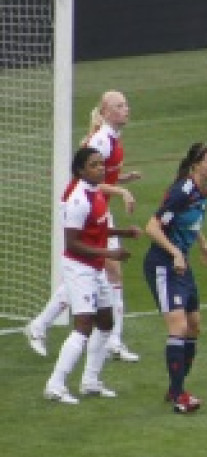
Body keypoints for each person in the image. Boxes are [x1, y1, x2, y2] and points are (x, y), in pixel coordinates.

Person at [25, 91, 144, 362]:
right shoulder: (101, 139)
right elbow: (86, 181)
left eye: (126, 104)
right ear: (106, 112)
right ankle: (111, 341)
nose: (126, 109)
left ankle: (42, 325)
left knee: (95, 274)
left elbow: (102, 175)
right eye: (119, 106)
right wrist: (122, 192)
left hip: (97, 207)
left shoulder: (113, 137)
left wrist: (123, 179)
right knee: (101, 271)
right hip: (85, 209)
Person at [42, 146, 141, 403]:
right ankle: (55, 384)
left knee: (106, 322)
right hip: (79, 268)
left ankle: (90, 382)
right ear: (80, 170)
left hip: (95, 267)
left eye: (101, 164)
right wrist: (110, 253)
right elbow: (72, 243)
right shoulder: (78, 199)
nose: (101, 169)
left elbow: (96, 229)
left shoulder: (95, 193)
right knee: (84, 325)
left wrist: (123, 233)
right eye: (94, 165)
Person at [141, 142, 207, 415]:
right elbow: (152, 227)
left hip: (180, 264)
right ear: (196, 165)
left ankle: (176, 386)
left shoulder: (203, 189)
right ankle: (178, 395)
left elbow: (189, 220)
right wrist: (175, 252)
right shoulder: (181, 191)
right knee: (179, 325)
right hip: (163, 265)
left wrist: (203, 243)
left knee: (194, 326)